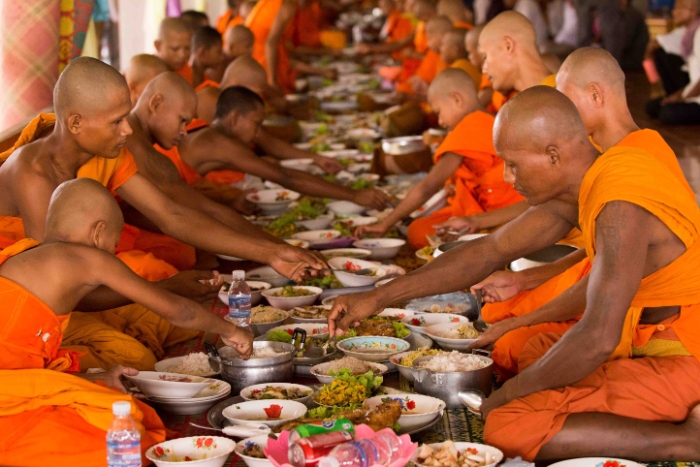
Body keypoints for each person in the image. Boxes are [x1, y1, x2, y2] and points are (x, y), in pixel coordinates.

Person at [329, 86, 700, 461]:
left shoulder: (620, 203)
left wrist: (508, 394)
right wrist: (377, 297)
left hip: (685, 358)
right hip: (648, 341)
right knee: (532, 349)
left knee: (509, 423)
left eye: (513, 164)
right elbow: (488, 251)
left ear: (553, 155)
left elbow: (598, 337)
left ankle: (688, 439)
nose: (507, 177)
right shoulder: (586, 186)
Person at [0, 58, 324, 368]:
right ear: (75, 123)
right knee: (136, 345)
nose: (128, 130)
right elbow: (65, 290)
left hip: (87, 279)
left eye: (126, 117)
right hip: (29, 314)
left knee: (182, 315)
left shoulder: (106, 153)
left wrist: (272, 252)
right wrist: (167, 290)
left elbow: (170, 215)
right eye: (116, 121)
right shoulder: (33, 175)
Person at [469, 47, 697, 380]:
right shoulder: (602, 157)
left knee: (511, 341)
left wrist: (524, 315)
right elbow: (596, 253)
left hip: (654, 320)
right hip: (607, 290)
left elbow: (611, 276)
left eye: (566, 99)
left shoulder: (639, 160)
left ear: (595, 95)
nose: (561, 111)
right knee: (501, 315)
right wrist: (523, 279)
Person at [0, 178, 252, 467]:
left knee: (118, 410)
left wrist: (93, 379)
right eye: (115, 243)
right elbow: (179, 312)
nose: (114, 250)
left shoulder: (28, 255)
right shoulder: (89, 257)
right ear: (98, 232)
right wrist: (231, 330)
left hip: (17, 383)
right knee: (124, 432)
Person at [122, 72, 294, 273]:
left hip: (121, 237)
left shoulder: (137, 144)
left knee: (187, 247)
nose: (185, 131)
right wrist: (276, 251)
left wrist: (275, 249)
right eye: (182, 120)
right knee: (168, 265)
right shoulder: (134, 146)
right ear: (156, 103)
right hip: (106, 249)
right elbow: (195, 211)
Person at [357, 68, 522, 249]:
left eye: (439, 112)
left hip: (499, 214)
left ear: (457, 100)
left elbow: (427, 187)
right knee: (424, 228)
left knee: (418, 233)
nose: (441, 122)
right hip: (502, 212)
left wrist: (385, 223)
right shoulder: (491, 119)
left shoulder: (469, 127)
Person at [432, 11, 558, 241]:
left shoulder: (555, 102)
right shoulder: (521, 101)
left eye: (486, 56)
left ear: (508, 46)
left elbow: (557, 201)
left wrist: (482, 225)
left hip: (559, 237)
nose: (483, 69)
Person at [172, 86, 391, 211]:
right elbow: (285, 177)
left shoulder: (209, 133)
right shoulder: (220, 142)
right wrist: (354, 195)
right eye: (256, 124)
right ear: (236, 117)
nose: (258, 133)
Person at [646, 0, 700, 125]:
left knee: (668, 113)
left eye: (678, 8)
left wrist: (682, 98)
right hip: (691, 89)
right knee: (652, 107)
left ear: (692, 10)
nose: (673, 11)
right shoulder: (686, 33)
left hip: (695, 96)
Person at [396, 15, 453, 96]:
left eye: (429, 38)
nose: (427, 43)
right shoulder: (433, 53)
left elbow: (443, 93)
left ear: (442, 36)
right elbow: (421, 77)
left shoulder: (447, 58)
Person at [154, 18, 193, 82]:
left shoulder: (189, 72)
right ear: (158, 46)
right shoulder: (146, 71)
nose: (182, 55)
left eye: (187, 48)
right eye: (175, 49)